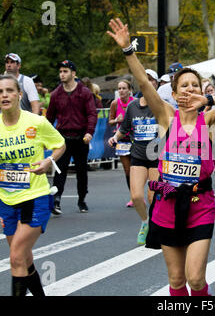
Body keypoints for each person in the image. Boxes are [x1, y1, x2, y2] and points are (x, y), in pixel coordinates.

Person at [107, 18, 215, 296]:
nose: (189, 89)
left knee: (195, 279)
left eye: (195, 85)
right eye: (184, 85)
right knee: (177, 280)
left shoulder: (210, 119)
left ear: (201, 91)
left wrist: (210, 101)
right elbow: (143, 82)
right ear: (175, 90)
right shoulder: (167, 116)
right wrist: (128, 51)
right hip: (167, 204)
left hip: (200, 204)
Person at [0, 74, 66, 296]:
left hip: (34, 197)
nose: (4, 95)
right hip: (6, 201)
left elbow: (60, 144)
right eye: (0, 92)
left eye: (9, 90)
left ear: (19, 94)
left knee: (16, 256)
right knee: (24, 258)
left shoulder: (36, 122)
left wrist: (49, 160)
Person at [108, 75, 160, 245]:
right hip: (137, 154)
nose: (149, 85)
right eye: (146, 82)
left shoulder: (160, 107)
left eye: (153, 82)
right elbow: (124, 128)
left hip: (155, 157)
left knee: (153, 196)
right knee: (136, 196)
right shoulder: (132, 106)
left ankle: (154, 223)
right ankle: (145, 221)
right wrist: (115, 137)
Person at [46, 60, 98, 214]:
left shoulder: (85, 92)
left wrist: (89, 132)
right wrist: (46, 137)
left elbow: (92, 114)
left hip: (81, 136)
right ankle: (57, 201)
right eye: (61, 71)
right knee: (60, 169)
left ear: (73, 74)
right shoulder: (56, 94)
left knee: (81, 170)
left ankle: (82, 199)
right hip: (62, 138)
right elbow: (49, 118)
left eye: (65, 71)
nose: (62, 74)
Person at [108, 80, 135, 207]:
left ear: (129, 90)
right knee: (127, 170)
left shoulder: (134, 102)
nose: (121, 91)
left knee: (137, 168)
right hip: (122, 139)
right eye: (119, 88)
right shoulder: (114, 103)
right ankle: (133, 197)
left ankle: (139, 194)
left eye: (124, 88)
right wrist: (116, 120)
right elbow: (110, 121)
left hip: (135, 138)